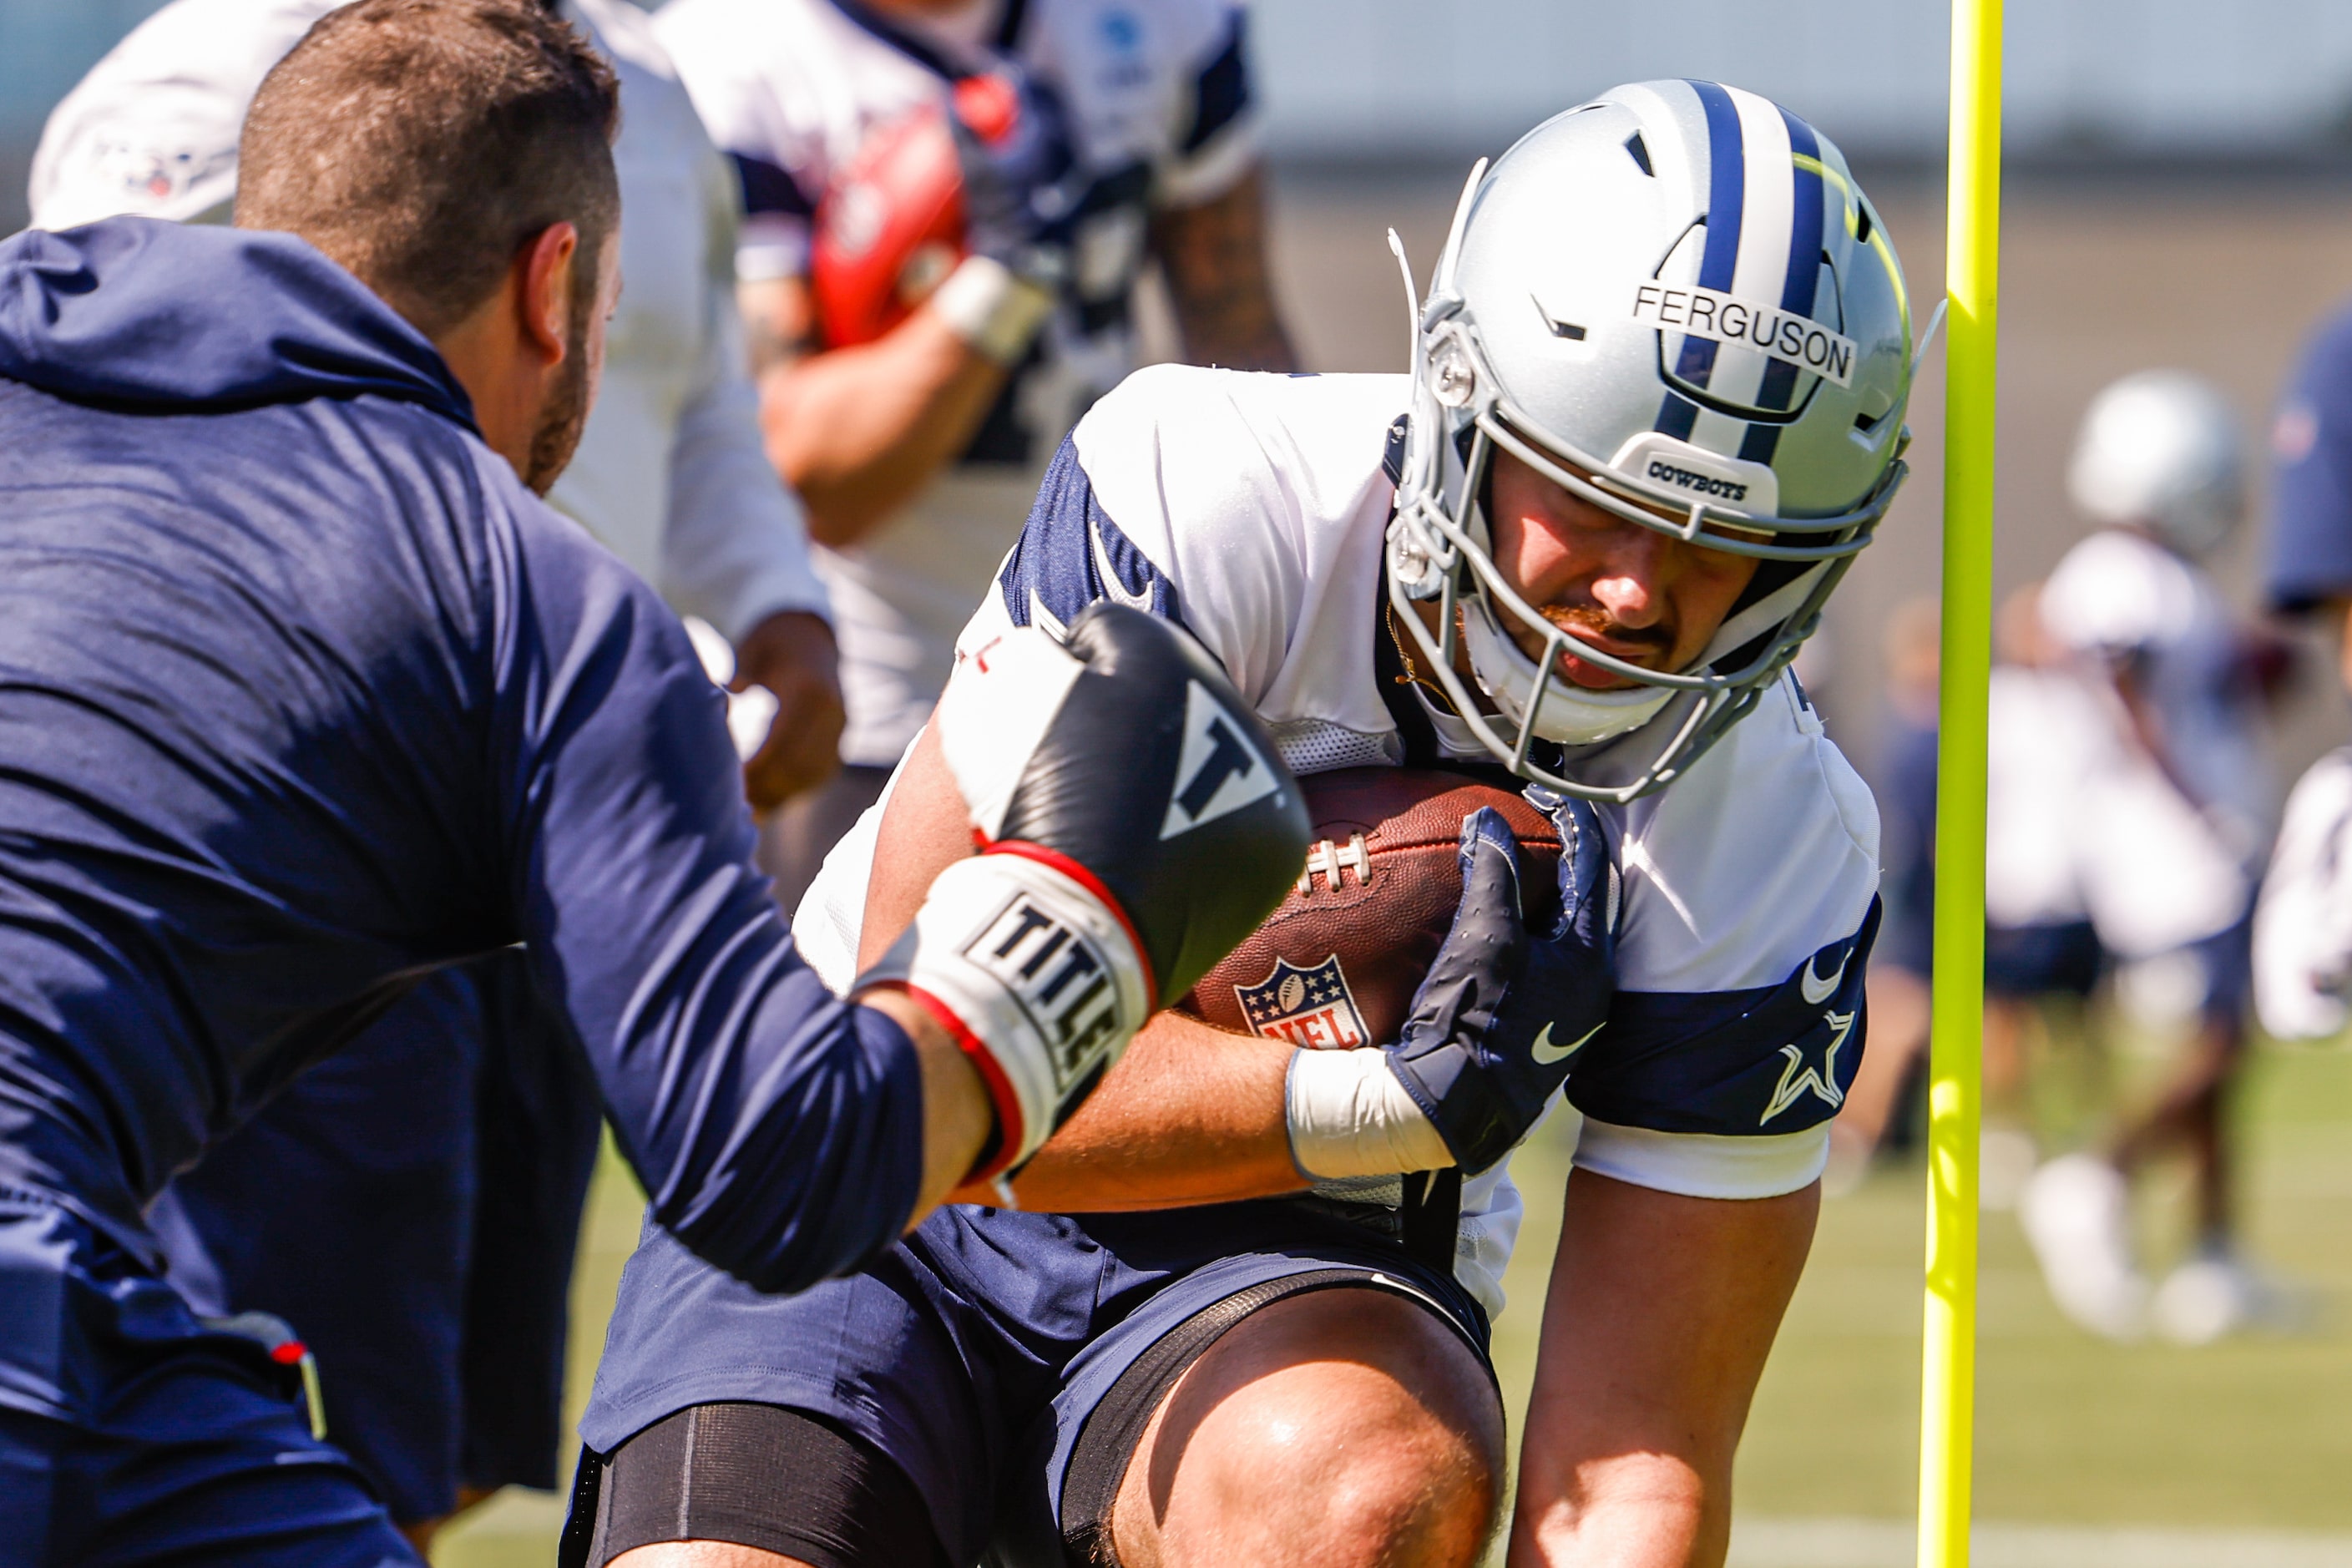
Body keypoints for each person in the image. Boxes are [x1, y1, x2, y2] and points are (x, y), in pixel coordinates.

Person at [0, 3, 1313, 1560]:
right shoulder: (529, 604)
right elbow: (783, 1167)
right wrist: (1077, 919)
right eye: (616, 310)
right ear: (555, 287)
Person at [571, 81, 1914, 1568]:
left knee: (1357, 1498)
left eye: (1726, 547)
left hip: (1288, 1265)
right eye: (1596, 502)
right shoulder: (1210, 490)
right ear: (1465, 396)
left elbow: (1630, 1468)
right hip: (879, 1180)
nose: (1636, 594)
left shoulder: (1774, 820)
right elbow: (921, 1052)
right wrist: (1386, 1104)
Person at [28, 0, 848, 1542]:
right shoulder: (214, 79)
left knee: (455, 1425)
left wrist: (781, 607)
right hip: (301, 844)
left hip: (577, 814)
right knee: (300, 1399)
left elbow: (699, 390)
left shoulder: (639, 95)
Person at [652, 0, 1298, 908]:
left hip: (1109, 683)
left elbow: (1242, 340)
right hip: (860, 706)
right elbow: (803, 475)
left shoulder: (1162, 23)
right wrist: (1005, 281)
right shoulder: (729, 59)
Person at [2010, 372, 2287, 1343]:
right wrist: (2193, 806)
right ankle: (2098, 1175)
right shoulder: (2118, 573)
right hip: (2171, 845)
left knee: (2229, 1040)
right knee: (2224, 1037)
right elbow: (2124, 691)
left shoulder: (2165, 577)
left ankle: (2213, 1255)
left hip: (2185, 832)